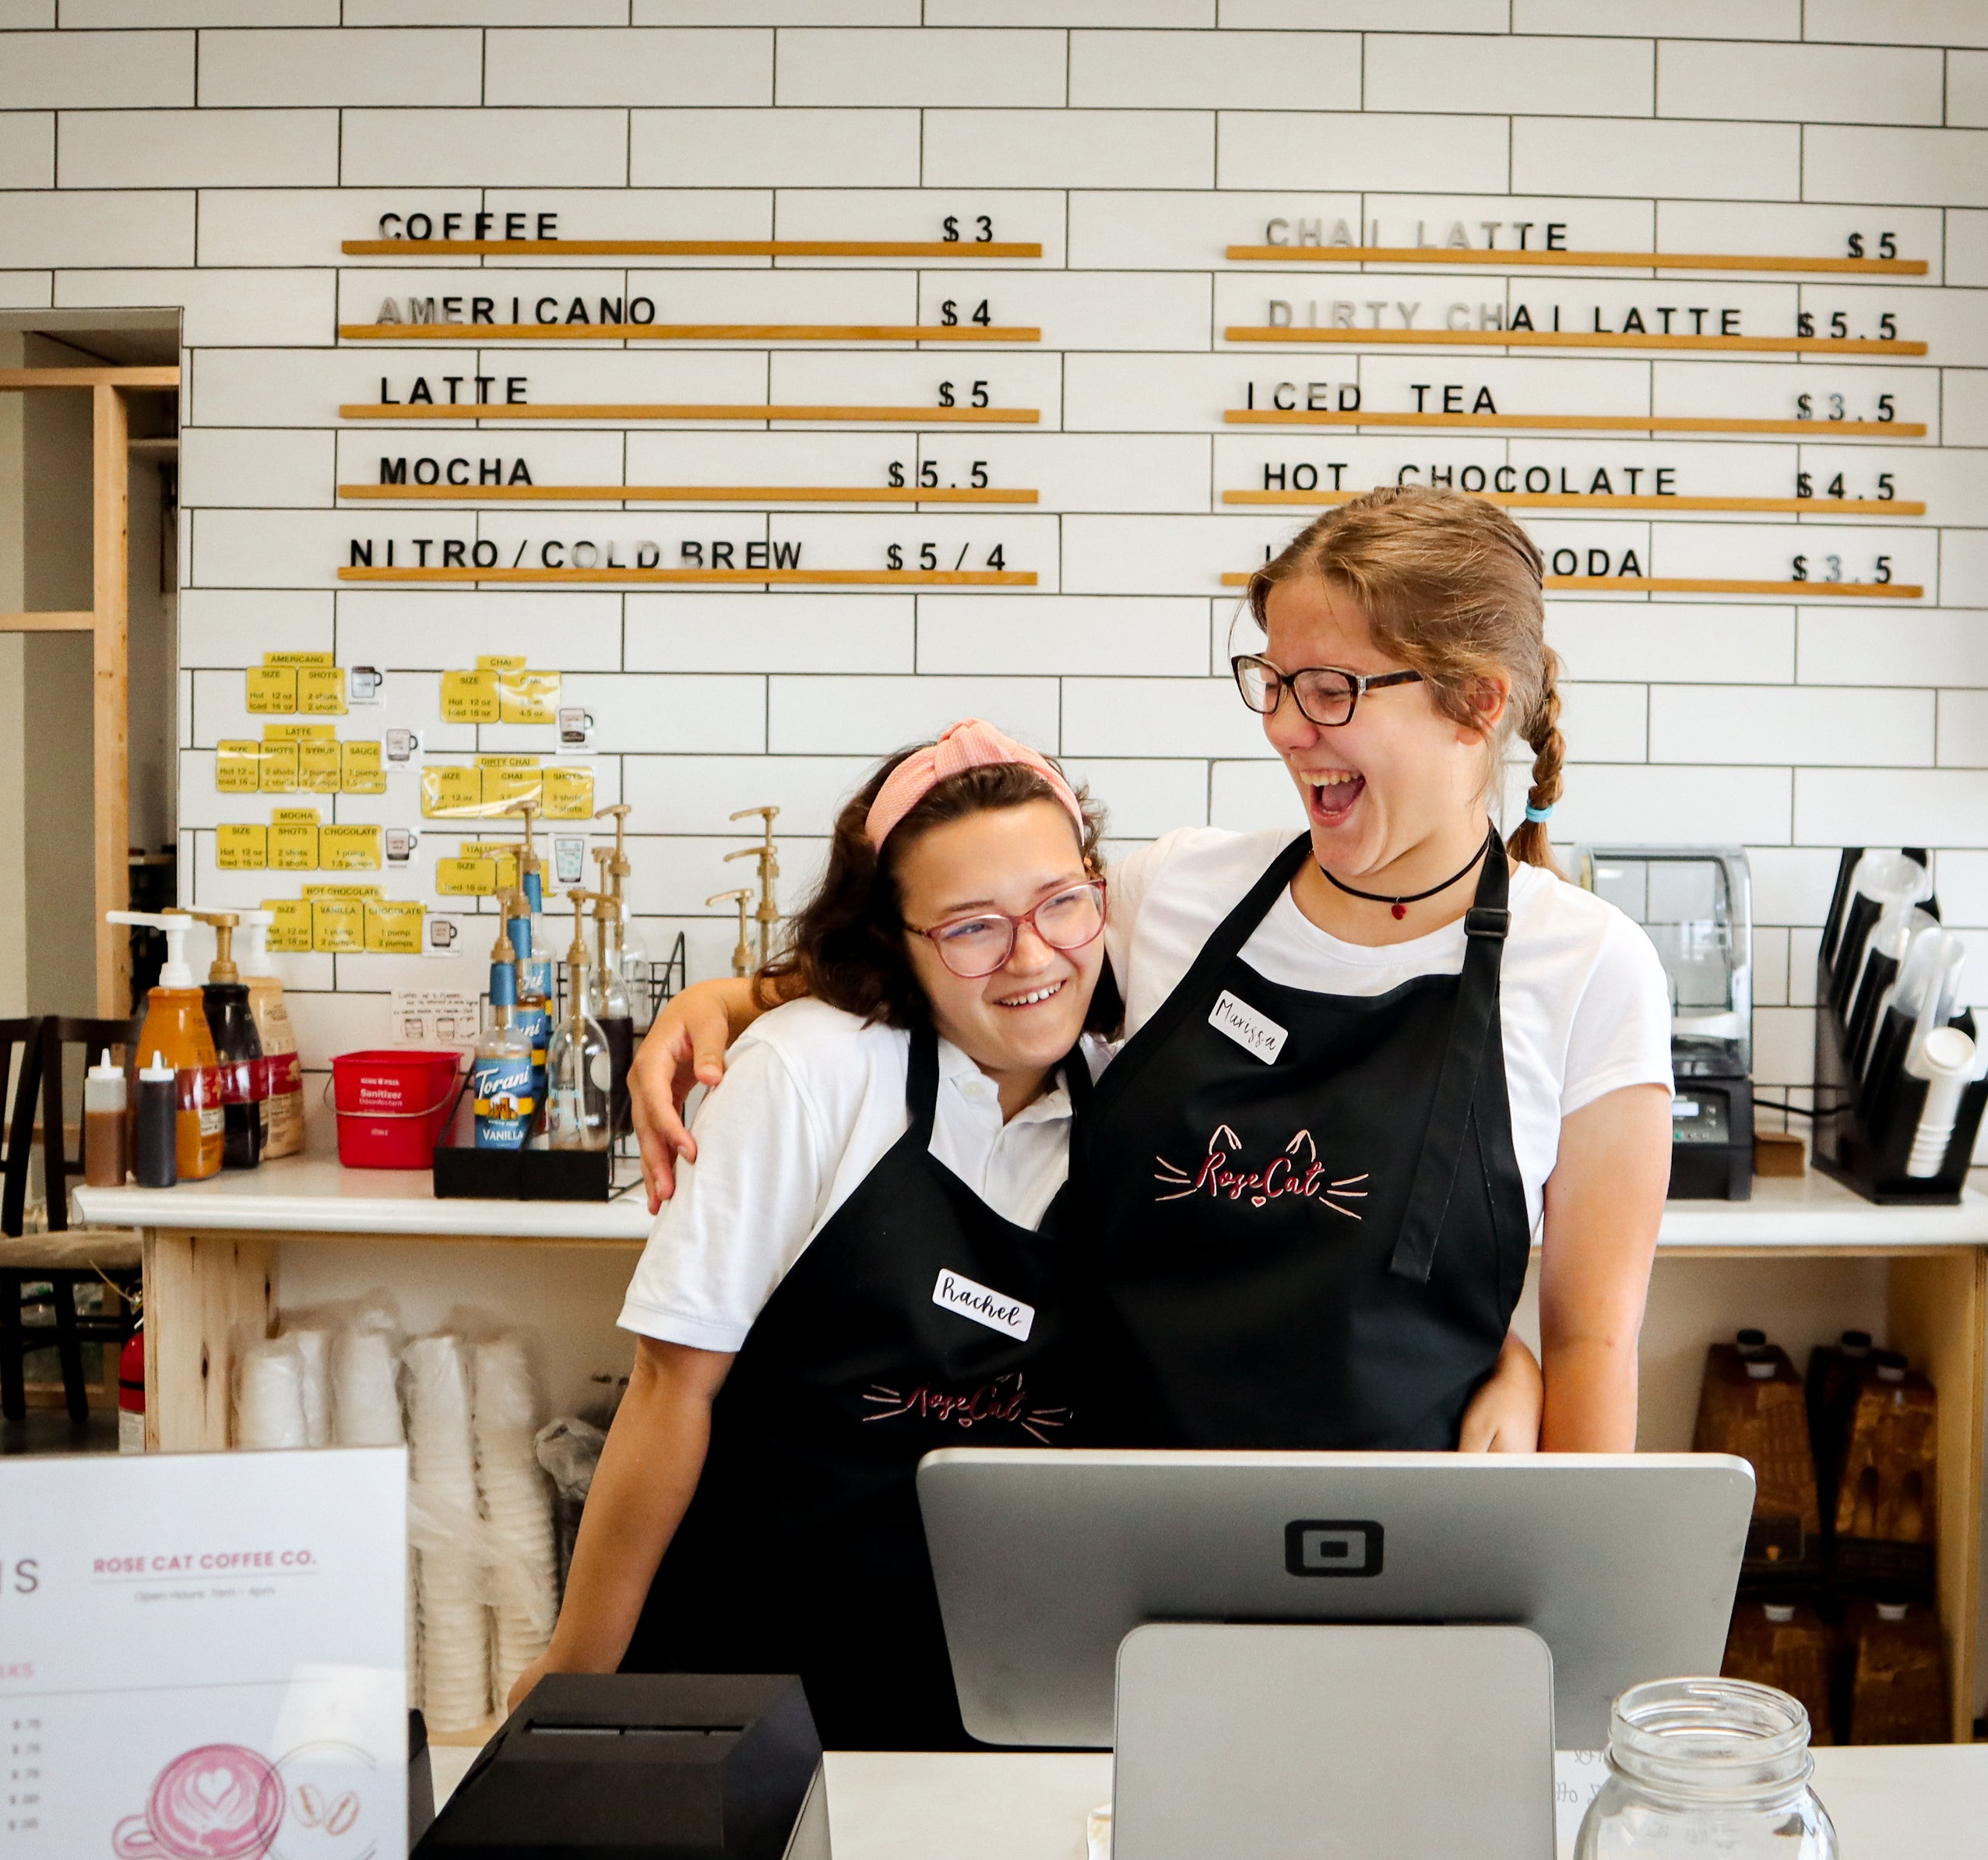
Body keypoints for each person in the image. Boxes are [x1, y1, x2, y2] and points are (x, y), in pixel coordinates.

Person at [512, 720, 1547, 1749]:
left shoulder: (1133, 1088)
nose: (1033, 958)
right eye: (971, 927)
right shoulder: (806, 1074)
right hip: (752, 1677)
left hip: (996, 1695)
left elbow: (1296, 1269)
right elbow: (665, 1393)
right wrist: (575, 1687)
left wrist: (1509, 1355)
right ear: (891, 938)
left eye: (1063, 903)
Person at [632, 488, 1672, 1454]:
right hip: (1119, 1536)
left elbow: (1592, 1342)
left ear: (1476, 703)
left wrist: (1569, 1609)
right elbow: (978, 970)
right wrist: (724, 1000)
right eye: (1272, 682)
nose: (1281, 727)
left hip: (1411, 1559)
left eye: (1328, 689)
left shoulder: (1589, 969)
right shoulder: (1180, 894)